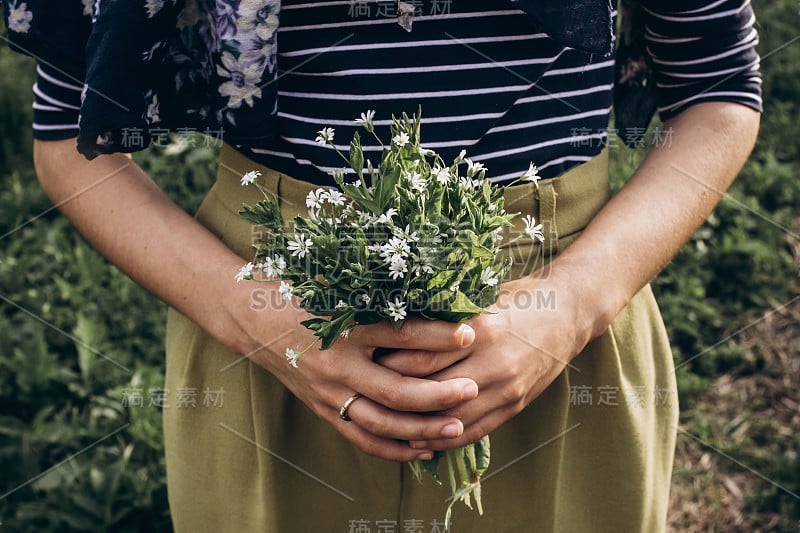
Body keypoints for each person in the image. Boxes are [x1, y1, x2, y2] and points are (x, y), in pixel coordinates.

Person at [4, 0, 761, 531]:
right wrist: (271, 325)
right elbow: (71, 142)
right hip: (268, 352)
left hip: (564, 349)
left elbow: (720, 91)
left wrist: (565, 311)